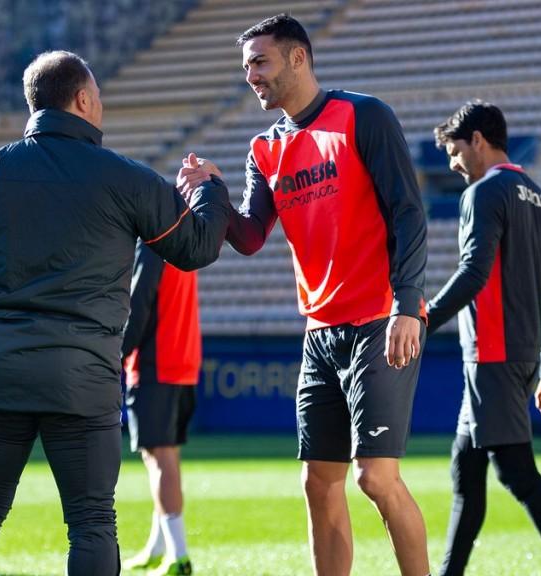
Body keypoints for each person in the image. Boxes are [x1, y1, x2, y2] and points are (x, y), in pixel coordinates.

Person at [0, 50, 230, 576]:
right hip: (82, 376)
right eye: (100, 97)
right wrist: (210, 191)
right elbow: (197, 247)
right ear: (83, 99)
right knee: (91, 521)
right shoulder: (125, 177)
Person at [193, 14, 430, 576]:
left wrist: (408, 305)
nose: (251, 76)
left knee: (376, 475)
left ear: (298, 58)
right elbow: (249, 236)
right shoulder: (264, 148)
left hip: (379, 320)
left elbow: (408, 213)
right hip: (320, 334)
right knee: (318, 480)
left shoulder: (363, 116)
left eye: (259, 62)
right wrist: (212, 191)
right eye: (246, 66)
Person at [425, 101, 541, 576]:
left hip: (492, 357)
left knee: (516, 474)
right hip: (516, 359)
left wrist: (422, 320)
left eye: (456, 152)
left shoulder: (483, 194)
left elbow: (473, 272)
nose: (454, 164)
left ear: (478, 139)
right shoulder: (540, 197)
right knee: (466, 470)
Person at [120, 241, 201, 576]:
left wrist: (119, 352)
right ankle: (159, 545)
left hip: (156, 363)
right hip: (183, 359)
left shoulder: (152, 244)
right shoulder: (181, 240)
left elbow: (139, 301)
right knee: (164, 454)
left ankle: (178, 555)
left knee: (159, 456)